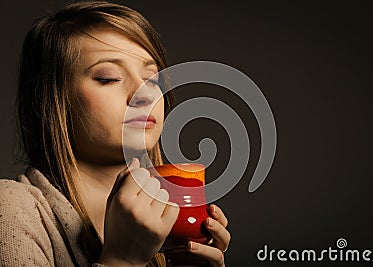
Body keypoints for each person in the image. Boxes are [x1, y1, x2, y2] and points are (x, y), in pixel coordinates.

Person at [0, 1, 230, 266]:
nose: (144, 94)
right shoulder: (12, 209)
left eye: (153, 78)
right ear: (52, 101)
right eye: (109, 77)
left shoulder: (166, 226)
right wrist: (123, 259)